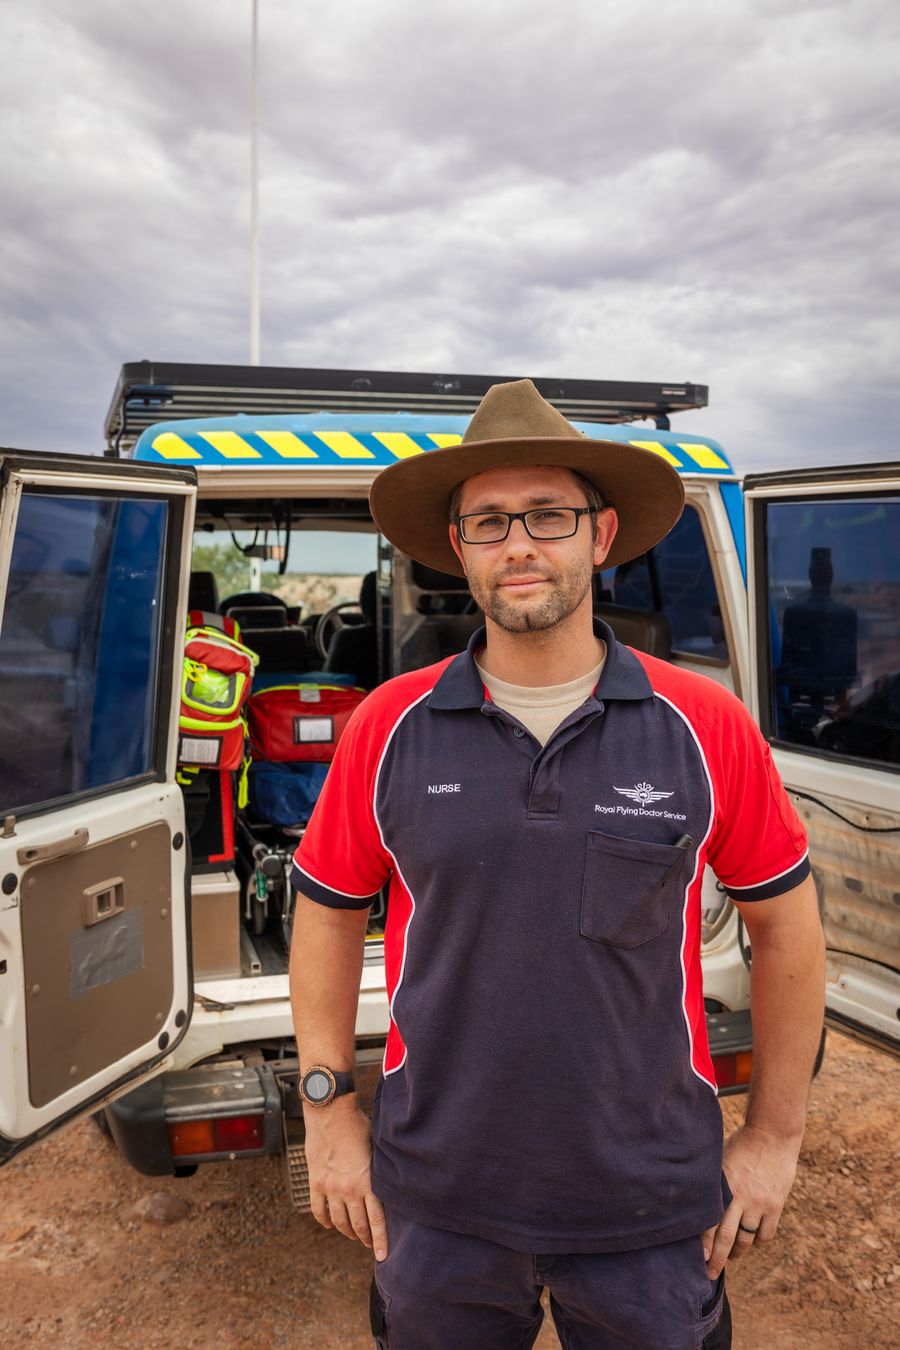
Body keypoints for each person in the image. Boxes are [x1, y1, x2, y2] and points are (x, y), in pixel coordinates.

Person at [287, 380, 826, 1350]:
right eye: (488, 522)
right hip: (435, 1201)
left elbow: (785, 927)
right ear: (459, 548)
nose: (519, 545)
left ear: (601, 534)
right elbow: (327, 914)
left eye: (548, 515)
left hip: (650, 1208)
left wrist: (775, 1137)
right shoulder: (388, 726)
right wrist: (327, 1112)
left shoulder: (704, 725)